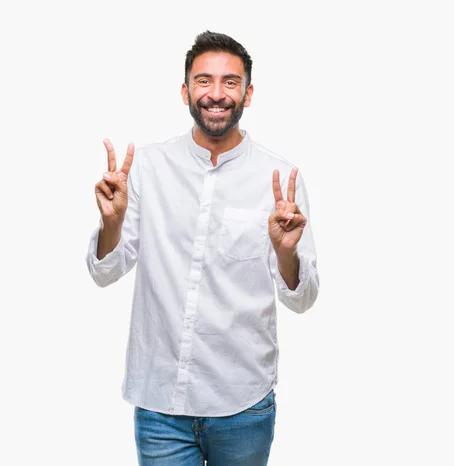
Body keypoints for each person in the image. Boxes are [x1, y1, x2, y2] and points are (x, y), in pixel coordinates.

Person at [86, 30, 319, 466]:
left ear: (248, 94)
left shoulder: (280, 178)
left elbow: (303, 298)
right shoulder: (148, 169)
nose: (216, 94)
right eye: (204, 80)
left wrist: (286, 251)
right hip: (160, 406)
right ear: (185, 91)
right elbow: (104, 272)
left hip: (243, 403)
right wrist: (111, 222)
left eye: (230, 82)